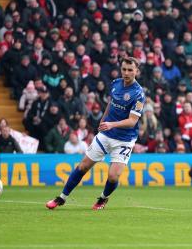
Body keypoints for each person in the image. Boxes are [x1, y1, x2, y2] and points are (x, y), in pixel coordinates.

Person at [46, 57, 146, 211]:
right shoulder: (116, 83)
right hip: (106, 135)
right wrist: (103, 119)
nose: (126, 73)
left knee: (113, 176)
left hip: (124, 140)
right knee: (83, 166)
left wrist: (112, 123)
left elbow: (132, 121)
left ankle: (103, 199)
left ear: (136, 71)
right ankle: (61, 198)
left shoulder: (138, 94)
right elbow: (111, 104)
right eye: (124, 69)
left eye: (130, 70)